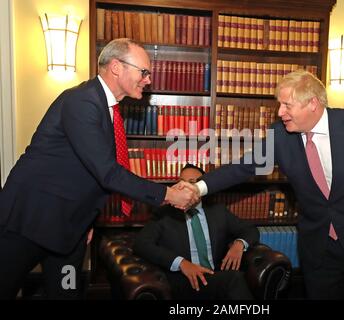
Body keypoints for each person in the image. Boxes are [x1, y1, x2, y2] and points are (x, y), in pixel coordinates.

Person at [190, 70, 344, 299]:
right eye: (279, 104)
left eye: (287, 105)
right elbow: (243, 167)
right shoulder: (280, 136)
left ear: (312, 103)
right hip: (319, 250)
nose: (280, 112)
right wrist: (197, 187)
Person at [0, 38, 198, 299]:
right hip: (29, 221)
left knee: (66, 293)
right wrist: (169, 194)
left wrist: (87, 218)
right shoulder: (82, 101)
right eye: (144, 72)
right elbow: (107, 172)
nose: (148, 80)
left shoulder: (107, 109)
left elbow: (87, 173)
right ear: (117, 67)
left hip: (71, 230)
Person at [134, 164, 259, 300]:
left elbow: (250, 229)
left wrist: (239, 244)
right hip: (183, 281)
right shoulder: (164, 214)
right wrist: (182, 263)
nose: (186, 188)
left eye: (192, 183)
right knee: (234, 279)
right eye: (182, 182)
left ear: (203, 188)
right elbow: (141, 244)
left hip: (214, 277)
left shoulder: (218, 211)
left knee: (234, 278)